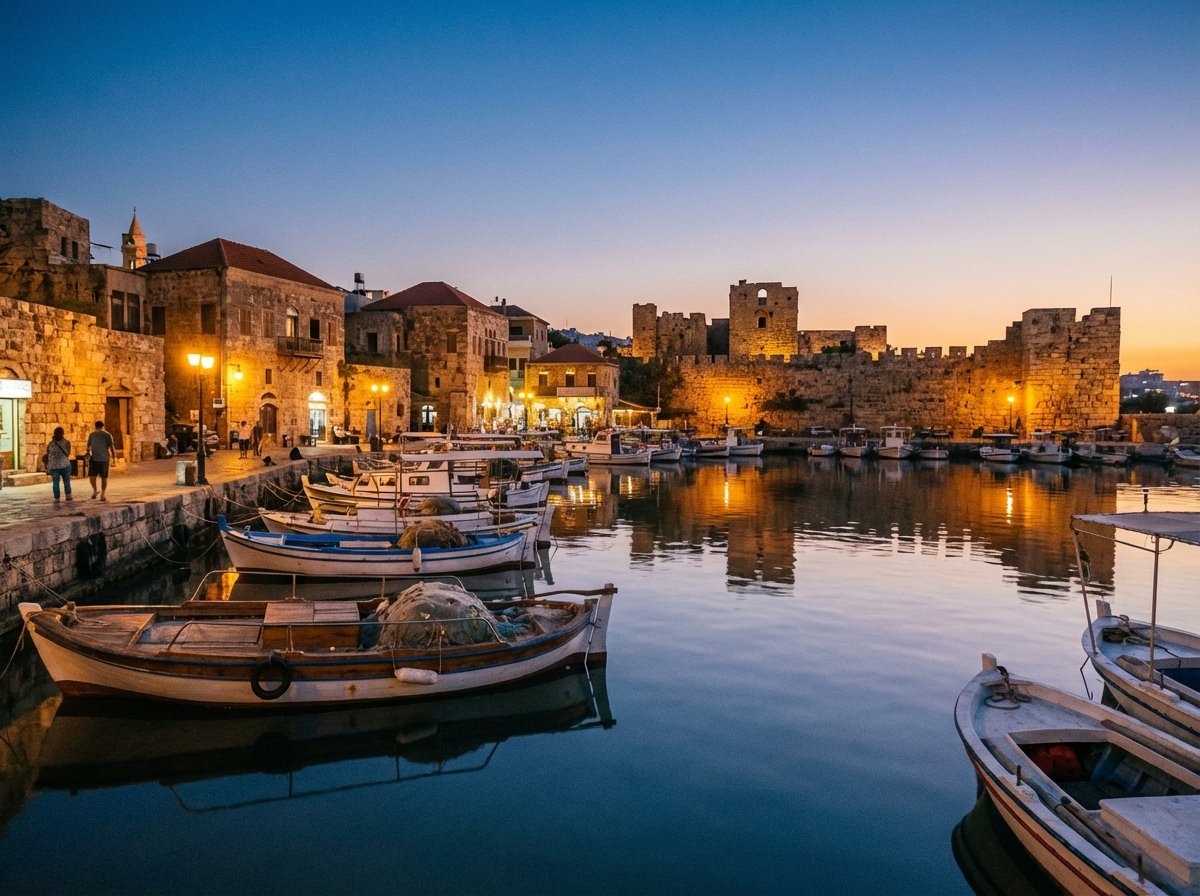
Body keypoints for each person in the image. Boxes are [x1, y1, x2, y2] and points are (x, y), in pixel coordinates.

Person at [86, 420, 116, 501]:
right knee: (104, 477)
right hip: (104, 458)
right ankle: (103, 494)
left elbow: (88, 447)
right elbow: (112, 447)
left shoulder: (91, 435)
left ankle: (95, 490)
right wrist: (114, 458)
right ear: (103, 426)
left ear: (95, 426)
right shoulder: (107, 435)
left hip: (94, 457)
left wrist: (88, 453)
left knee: (92, 476)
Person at [45, 426, 73, 503]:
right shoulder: (67, 443)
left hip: (54, 466)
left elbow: (48, 453)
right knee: (66, 481)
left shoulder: (50, 444)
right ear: (63, 434)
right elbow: (68, 453)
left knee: (55, 482)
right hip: (65, 465)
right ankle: (68, 496)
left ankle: (56, 498)